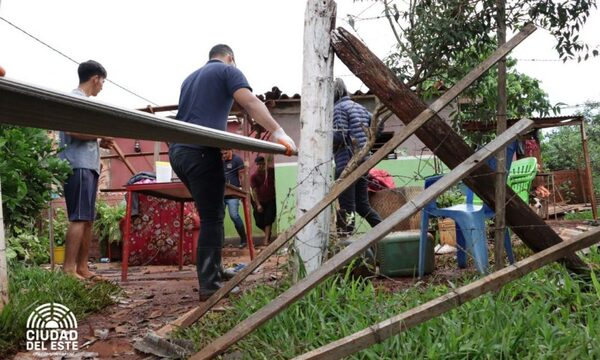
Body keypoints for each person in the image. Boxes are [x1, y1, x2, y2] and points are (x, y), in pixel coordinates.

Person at [169, 44, 296, 301]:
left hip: (178, 153)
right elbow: (249, 101)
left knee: (210, 214)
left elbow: (197, 116)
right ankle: (210, 285)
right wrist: (278, 131)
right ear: (231, 58)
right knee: (213, 216)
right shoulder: (228, 71)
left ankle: (214, 270)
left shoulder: (189, 80)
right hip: (201, 150)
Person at [59, 60, 114, 281]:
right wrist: (100, 136)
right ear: (96, 78)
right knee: (79, 217)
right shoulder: (74, 99)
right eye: (103, 82)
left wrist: (99, 141)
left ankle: (82, 268)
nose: (102, 86)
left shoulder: (85, 101)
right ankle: (68, 269)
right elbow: (74, 130)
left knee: (88, 219)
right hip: (77, 165)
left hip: (87, 166)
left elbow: (84, 134)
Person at [332, 77, 382, 235]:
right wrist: (367, 141)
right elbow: (379, 124)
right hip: (363, 162)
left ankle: (347, 245)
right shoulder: (358, 107)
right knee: (362, 205)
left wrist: (322, 138)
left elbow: (340, 135)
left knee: (347, 208)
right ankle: (386, 231)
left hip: (347, 163)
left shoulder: (338, 108)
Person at [222, 149, 248, 249]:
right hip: (221, 194)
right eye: (222, 154)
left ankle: (243, 239)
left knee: (234, 216)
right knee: (219, 218)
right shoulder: (220, 161)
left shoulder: (237, 160)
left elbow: (242, 176)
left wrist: (243, 192)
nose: (223, 155)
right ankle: (221, 243)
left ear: (230, 150)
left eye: (225, 153)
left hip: (233, 194)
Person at [250, 154, 277, 244]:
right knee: (258, 221)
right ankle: (267, 233)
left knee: (268, 220)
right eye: (259, 164)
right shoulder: (254, 176)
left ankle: (266, 240)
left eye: (262, 164)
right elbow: (254, 191)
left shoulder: (271, 172)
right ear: (256, 165)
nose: (261, 166)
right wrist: (258, 204)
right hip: (260, 201)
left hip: (271, 199)